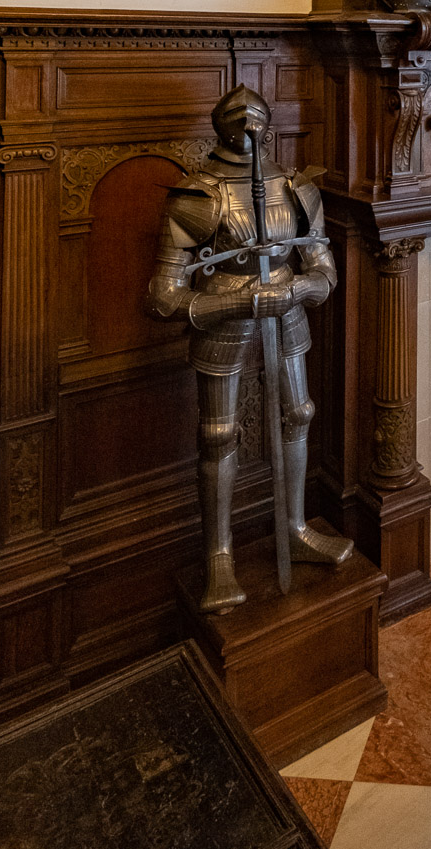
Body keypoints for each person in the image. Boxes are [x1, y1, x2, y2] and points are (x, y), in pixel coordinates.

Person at [146, 84, 352, 613]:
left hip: (287, 308)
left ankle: (296, 527)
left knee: (299, 413)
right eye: (240, 123)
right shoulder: (199, 195)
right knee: (218, 434)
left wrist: (297, 290)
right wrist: (237, 304)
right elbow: (163, 295)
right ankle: (218, 557)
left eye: (255, 122)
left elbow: (323, 268)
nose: (249, 131)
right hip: (226, 313)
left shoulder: (295, 187)